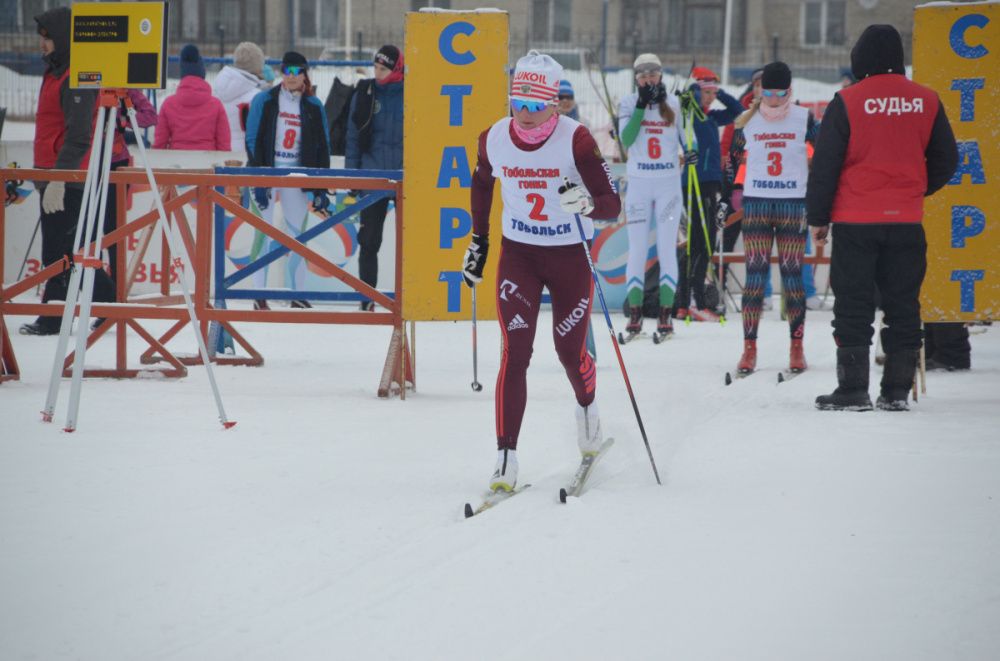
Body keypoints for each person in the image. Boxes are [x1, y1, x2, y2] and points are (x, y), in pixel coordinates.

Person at [461, 50, 621, 492]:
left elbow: (612, 203)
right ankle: (505, 459)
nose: (526, 115)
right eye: (519, 104)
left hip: (569, 253)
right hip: (520, 256)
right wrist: (479, 241)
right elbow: (481, 187)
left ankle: (588, 416)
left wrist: (586, 203)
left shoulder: (577, 140)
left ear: (555, 104)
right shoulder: (492, 137)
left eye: (536, 106)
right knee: (516, 353)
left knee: (569, 351)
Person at [808, 24, 958, 411]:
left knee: (853, 305)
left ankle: (853, 390)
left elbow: (826, 165)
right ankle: (896, 392)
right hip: (906, 221)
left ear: (861, 58)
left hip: (856, 220)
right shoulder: (927, 99)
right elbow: (947, 160)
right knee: (904, 304)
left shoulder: (848, 100)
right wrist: (914, 190)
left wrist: (819, 217)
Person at [20, 7, 114, 335]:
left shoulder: (77, 74)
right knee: (62, 249)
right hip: (52, 174)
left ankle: (90, 307)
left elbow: (79, 134)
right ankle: (86, 308)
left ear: (61, 38)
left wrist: (60, 176)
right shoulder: (54, 72)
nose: (41, 45)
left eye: (46, 38)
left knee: (64, 251)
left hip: (69, 177)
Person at [731, 62, 818, 374]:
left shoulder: (804, 117)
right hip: (757, 205)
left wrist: (817, 193)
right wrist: (733, 195)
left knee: (792, 277)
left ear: (789, 91)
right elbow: (733, 162)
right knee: (755, 278)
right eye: (767, 92)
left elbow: (823, 155)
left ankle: (797, 346)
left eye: (780, 93)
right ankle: (749, 348)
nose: (773, 99)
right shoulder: (746, 121)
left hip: (792, 205)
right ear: (759, 91)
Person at [245, 51, 331, 309]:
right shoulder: (265, 99)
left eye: (296, 72)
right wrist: (260, 177)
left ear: (305, 75)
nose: (291, 77)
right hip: (268, 172)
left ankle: (298, 294)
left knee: (298, 236)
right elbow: (252, 139)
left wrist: (320, 186)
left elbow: (322, 146)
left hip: (298, 175)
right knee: (262, 235)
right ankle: (258, 296)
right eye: (287, 71)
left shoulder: (313, 106)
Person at [617, 53, 684, 338]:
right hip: (640, 185)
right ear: (636, 78)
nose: (648, 78)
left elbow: (686, 138)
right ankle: (635, 316)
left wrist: (691, 153)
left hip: (668, 184)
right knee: (638, 249)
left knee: (667, 249)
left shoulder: (674, 103)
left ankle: (666, 317)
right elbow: (627, 139)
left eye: (652, 73)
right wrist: (642, 106)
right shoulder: (629, 103)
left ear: (661, 74)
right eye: (642, 74)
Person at [673, 66, 743, 322]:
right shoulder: (689, 114)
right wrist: (696, 87)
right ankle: (692, 301)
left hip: (711, 183)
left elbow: (738, 111)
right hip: (694, 183)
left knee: (704, 242)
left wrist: (719, 91)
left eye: (714, 92)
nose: (710, 96)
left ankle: (687, 301)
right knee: (698, 241)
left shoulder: (711, 117)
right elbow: (685, 99)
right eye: (707, 91)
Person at [346, 45, 404, 311]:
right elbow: (353, 137)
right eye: (375, 67)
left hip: (405, 177)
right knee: (369, 240)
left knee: (411, 242)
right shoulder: (366, 92)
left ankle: (409, 298)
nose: (377, 72)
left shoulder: (412, 93)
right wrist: (352, 177)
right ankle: (367, 297)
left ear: (396, 70)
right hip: (372, 175)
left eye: (383, 68)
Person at [153, 44, 231, 151]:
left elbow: (159, 144)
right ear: (202, 73)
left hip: (176, 164)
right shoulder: (216, 105)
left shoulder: (168, 104)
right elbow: (224, 145)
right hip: (208, 163)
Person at [213, 41, 270, 152]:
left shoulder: (216, 89)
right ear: (258, 65)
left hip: (219, 151)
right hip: (247, 153)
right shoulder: (257, 97)